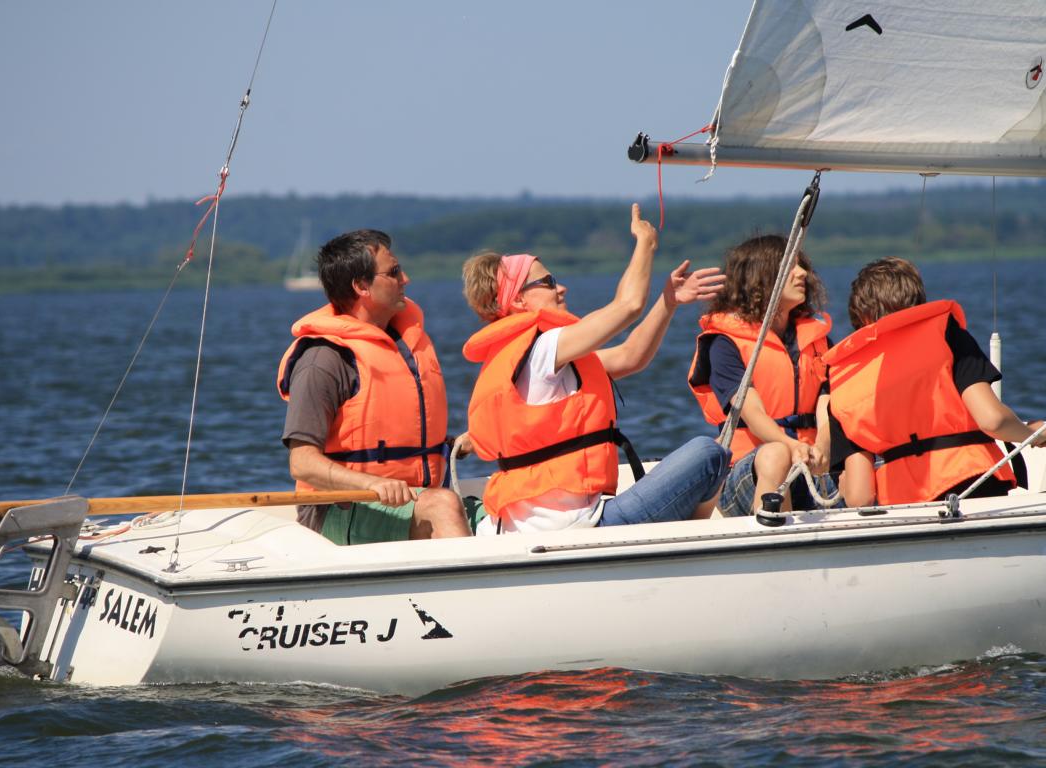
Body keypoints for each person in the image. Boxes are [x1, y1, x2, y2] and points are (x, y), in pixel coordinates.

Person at [460, 203, 729, 534]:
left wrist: (667, 302)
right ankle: (686, 553)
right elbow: (627, 306)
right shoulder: (544, 348)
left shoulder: (526, 358)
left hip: (532, 527)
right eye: (548, 281)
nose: (562, 288)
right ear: (518, 301)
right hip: (577, 527)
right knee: (710, 454)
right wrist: (645, 244)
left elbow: (631, 356)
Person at [277, 229, 477, 544]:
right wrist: (372, 483)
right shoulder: (323, 360)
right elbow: (302, 463)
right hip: (339, 511)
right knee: (443, 505)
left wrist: (454, 444)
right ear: (361, 286)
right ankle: (471, 591)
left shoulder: (404, 345)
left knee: (500, 506)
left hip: (415, 500)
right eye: (394, 272)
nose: (406, 279)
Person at [823, 256, 1046, 507]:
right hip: (973, 481)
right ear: (916, 301)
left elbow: (861, 496)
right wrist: (1033, 434)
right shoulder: (945, 334)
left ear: (860, 316)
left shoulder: (843, 377)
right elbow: (992, 419)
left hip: (903, 504)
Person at [687, 234, 834, 516]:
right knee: (775, 455)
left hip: (809, 462)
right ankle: (773, 547)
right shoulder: (725, 343)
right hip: (747, 470)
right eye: (791, 266)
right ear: (762, 277)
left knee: (856, 464)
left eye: (801, 265)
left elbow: (826, 402)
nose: (803, 273)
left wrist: (822, 447)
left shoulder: (816, 338)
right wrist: (793, 447)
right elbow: (753, 416)